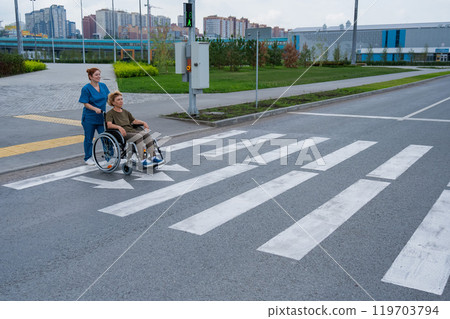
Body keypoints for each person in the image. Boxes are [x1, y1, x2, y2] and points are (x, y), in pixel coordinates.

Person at [106, 91, 163, 167]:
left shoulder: (126, 112)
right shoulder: (110, 113)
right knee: (138, 136)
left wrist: (143, 123)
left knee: (147, 134)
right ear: (113, 102)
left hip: (131, 131)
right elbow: (109, 125)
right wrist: (119, 127)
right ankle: (143, 160)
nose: (121, 101)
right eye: (118, 100)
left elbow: (134, 121)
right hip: (121, 133)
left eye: (121, 99)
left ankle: (154, 157)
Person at [78, 67, 110, 165]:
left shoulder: (103, 86)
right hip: (89, 118)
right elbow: (85, 103)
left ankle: (109, 156)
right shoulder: (86, 88)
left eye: (99, 74)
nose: (99, 76)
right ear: (90, 77)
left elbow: (109, 98)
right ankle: (88, 158)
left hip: (101, 117)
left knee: (105, 137)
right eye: (96, 75)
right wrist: (95, 109)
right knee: (89, 138)